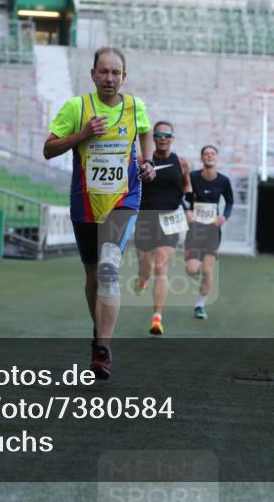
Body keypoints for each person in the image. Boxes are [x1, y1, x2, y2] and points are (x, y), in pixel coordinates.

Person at [43, 46, 155, 379]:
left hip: (124, 200)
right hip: (86, 201)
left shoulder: (136, 107)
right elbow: (48, 149)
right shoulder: (76, 107)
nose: (109, 78)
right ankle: (99, 334)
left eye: (115, 73)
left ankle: (102, 349)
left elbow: (145, 131)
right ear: (93, 75)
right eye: (103, 72)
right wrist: (82, 134)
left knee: (108, 270)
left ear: (124, 76)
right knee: (93, 278)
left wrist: (147, 161)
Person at [132, 121, 192, 336]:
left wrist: (188, 207)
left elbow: (186, 187)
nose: (163, 138)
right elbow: (129, 186)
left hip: (171, 219)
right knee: (145, 269)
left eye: (167, 135)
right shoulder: (141, 161)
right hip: (146, 218)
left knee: (161, 267)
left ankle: (157, 318)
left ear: (172, 138)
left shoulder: (182, 163)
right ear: (153, 138)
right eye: (158, 134)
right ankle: (142, 280)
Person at [184, 145, 233, 320]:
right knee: (191, 270)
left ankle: (200, 305)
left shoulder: (224, 181)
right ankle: (196, 270)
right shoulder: (193, 177)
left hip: (213, 231)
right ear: (202, 158)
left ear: (217, 158)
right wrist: (186, 211)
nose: (209, 156)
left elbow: (230, 202)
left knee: (207, 270)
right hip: (195, 230)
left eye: (212, 154)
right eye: (206, 154)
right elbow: (183, 197)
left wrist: (224, 217)